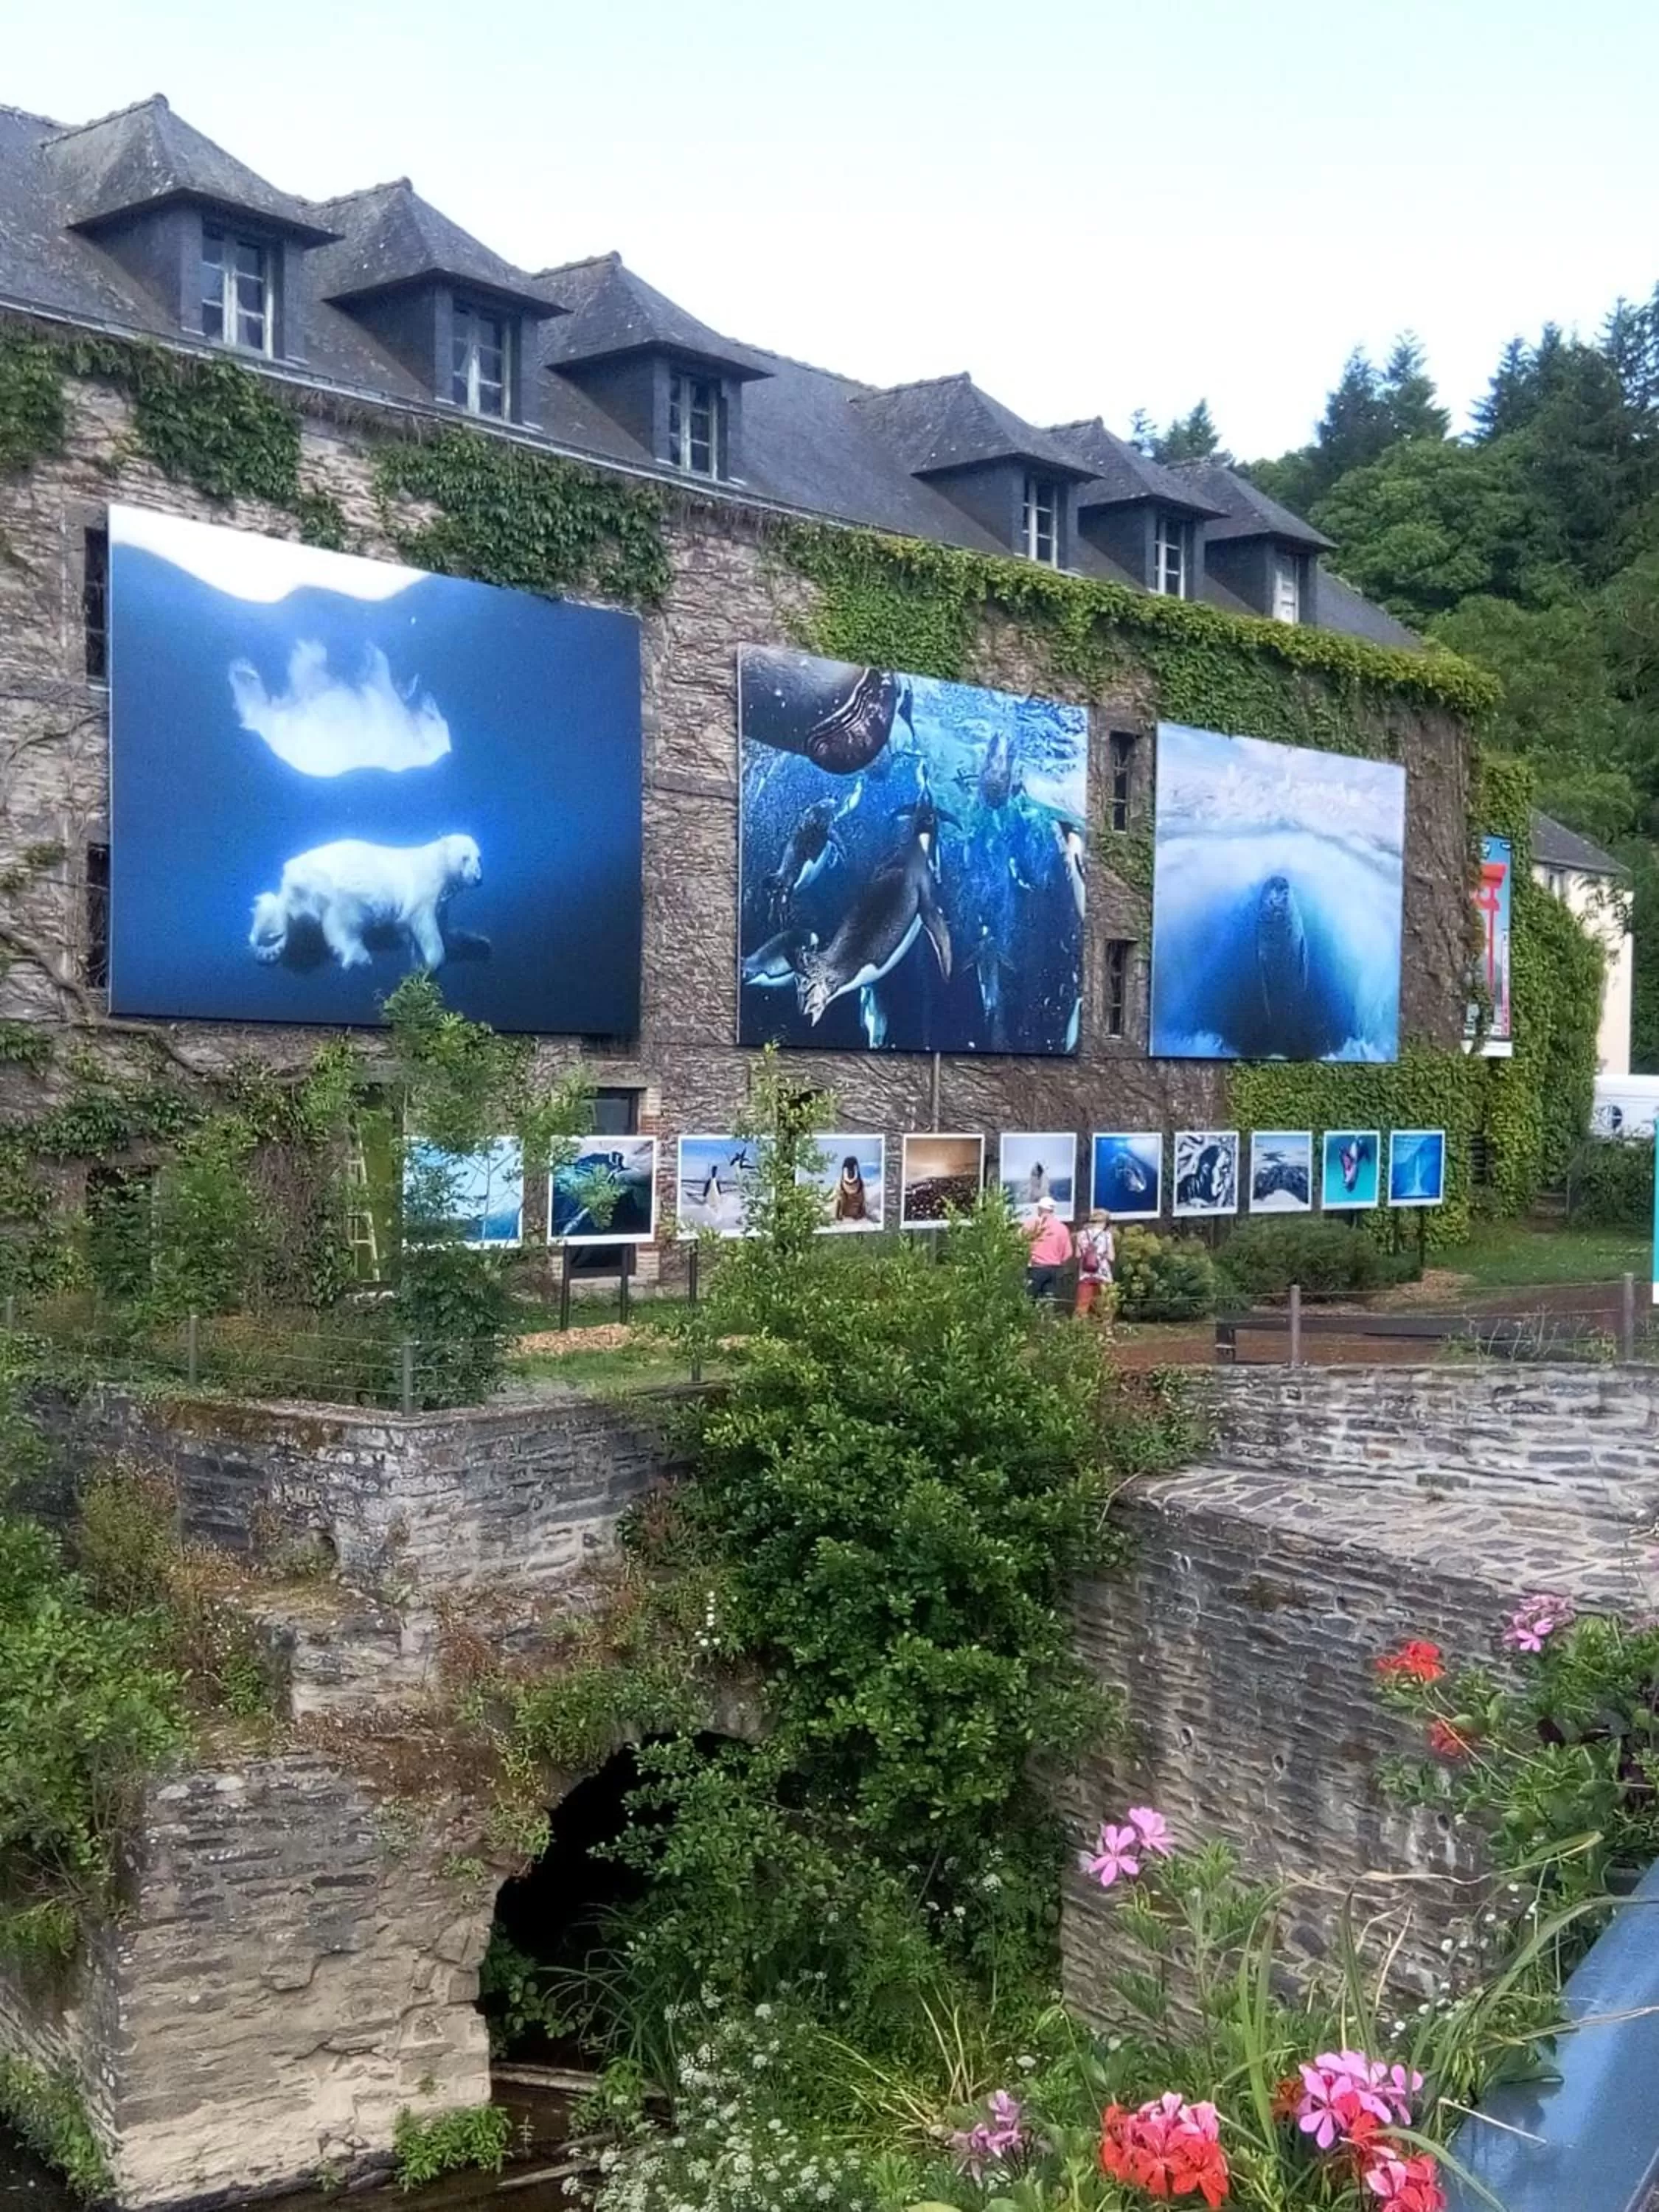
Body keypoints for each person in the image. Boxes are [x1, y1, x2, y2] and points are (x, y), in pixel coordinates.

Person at [1023, 1194, 1072, 1304]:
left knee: (1029, 1300)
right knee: (1049, 1301)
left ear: (1039, 1209)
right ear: (1053, 1210)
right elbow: (1068, 1253)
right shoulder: (1062, 1228)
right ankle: (1046, 1319)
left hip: (1036, 1268)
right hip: (1055, 1269)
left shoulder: (1031, 1225)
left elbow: (1018, 1242)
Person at [1075, 1207, 1116, 1318]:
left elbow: (1078, 1255)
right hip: (1102, 1273)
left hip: (1085, 1274)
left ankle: (1080, 1329)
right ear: (1105, 1222)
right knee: (1105, 1305)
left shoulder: (1080, 1235)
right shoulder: (1107, 1235)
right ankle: (1106, 1330)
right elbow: (1111, 1257)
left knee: (1083, 1306)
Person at [834, 1153, 869, 1223]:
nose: (851, 1172)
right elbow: (838, 1201)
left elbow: (862, 1200)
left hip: (856, 1216)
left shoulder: (860, 1185)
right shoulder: (840, 1186)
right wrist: (837, 1215)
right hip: (845, 1216)